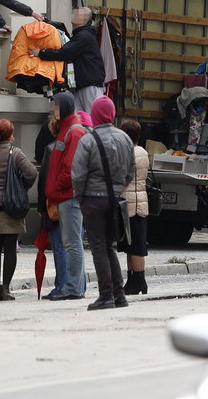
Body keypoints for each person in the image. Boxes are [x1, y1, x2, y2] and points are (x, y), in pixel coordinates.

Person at [71, 96, 135, 311]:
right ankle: (119, 295)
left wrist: (79, 197)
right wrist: (117, 189)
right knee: (110, 247)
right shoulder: (125, 138)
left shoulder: (88, 140)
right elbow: (130, 172)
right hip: (115, 199)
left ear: (95, 114)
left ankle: (105, 295)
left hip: (93, 199)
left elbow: (78, 174)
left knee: (99, 248)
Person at [0, 120, 38, 301]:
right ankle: (6, 288)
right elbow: (32, 173)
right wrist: (22, 188)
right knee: (10, 248)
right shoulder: (16, 153)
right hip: (12, 206)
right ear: (11, 134)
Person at [45, 92, 89, 301]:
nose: (52, 110)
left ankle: (73, 288)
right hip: (64, 195)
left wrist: (56, 187)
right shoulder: (68, 130)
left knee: (72, 243)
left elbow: (70, 168)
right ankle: (75, 286)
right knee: (72, 242)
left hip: (68, 196)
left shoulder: (74, 132)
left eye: (55, 106)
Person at [29, 7, 105, 113]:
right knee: (79, 118)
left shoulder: (84, 36)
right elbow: (64, 33)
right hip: (82, 85)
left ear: (84, 19)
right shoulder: (82, 35)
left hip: (90, 85)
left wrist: (41, 53)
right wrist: (46, 21)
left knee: (92, 117)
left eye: (77, 14)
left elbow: (64, 52)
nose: (73, 15)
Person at [35, 115, 67, 299]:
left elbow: (44, 180)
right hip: (75, 203)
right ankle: (77, 284)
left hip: (54, 204)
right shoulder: (76, 145)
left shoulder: (51, 148)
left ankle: (61, 285)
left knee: (60, 246)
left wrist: (41, 207)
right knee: (74, 244)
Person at [118, 120, 150, 295]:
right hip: (139, 201)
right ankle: (133, 280)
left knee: (135, 245)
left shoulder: (129, 153)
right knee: (132, 244)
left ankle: (138, 280)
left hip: (131, 203)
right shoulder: (143, 152)